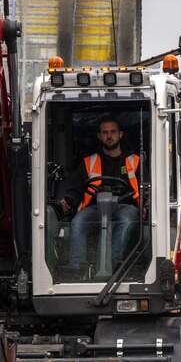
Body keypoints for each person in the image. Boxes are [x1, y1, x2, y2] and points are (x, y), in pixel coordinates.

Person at [59, 116, 142, 274]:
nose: (109, 136)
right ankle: (77, 268)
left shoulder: (135, 161)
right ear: (99, 136)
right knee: (78, 222)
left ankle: (114, 266)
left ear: (120, 134)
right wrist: (68, 201)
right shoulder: (88, 162)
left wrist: (147, 204)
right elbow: (75, 189)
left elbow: (146, 187)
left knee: (126, 221)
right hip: (95, 208)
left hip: (125, 206)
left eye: (113, 132)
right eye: (105, 132)